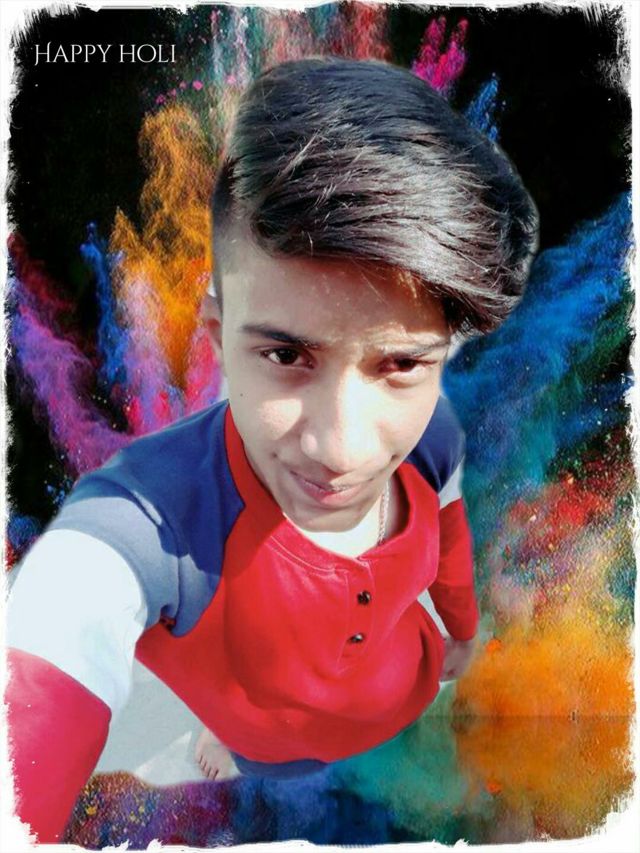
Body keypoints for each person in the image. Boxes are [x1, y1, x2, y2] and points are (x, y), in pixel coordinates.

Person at [6, 56, 538, 842]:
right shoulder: (145, 526)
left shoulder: (435, 437)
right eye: (286, 355)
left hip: (411, 696)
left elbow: (451, 537)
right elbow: (57, 636)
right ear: (218, 335)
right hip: (255, 754)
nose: (340, 449)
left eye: (401, 364)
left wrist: (460, 629)